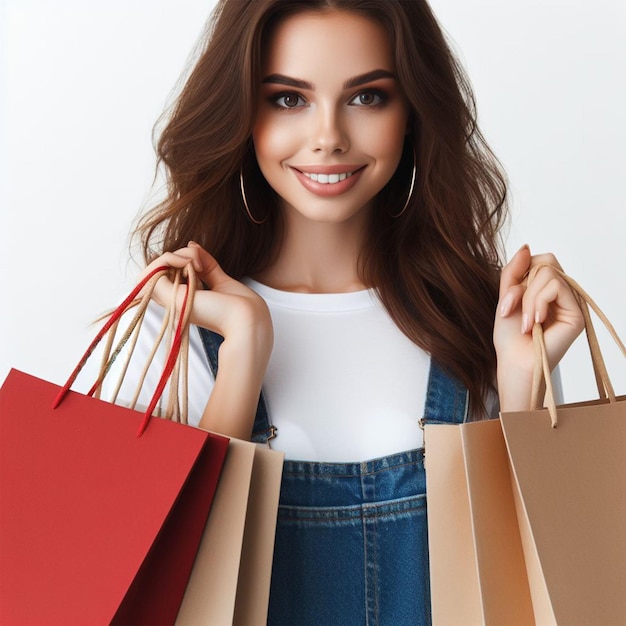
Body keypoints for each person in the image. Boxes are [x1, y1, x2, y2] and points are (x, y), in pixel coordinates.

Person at [107, 0, 585, 623]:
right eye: (288, 99)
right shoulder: (180, 327)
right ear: (241, 114)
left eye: (367, 98)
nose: (329, 136)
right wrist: (243, 354)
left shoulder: (483, 320)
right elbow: (159, 594)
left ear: (412, 111)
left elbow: (536, 600)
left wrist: (521, 390)